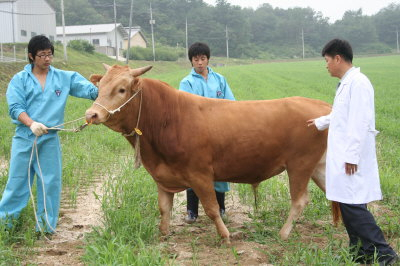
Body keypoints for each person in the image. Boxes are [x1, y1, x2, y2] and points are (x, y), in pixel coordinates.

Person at [307, 39, 399, 265]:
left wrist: (352, 157)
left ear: (337, 58)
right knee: (349, 205)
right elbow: (342, 114)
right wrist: (322, 121)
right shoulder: (348, 83)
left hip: (351, 157)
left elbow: (359, 121)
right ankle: (360, 253)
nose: (326, 66)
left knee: (353, 207)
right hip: (344, 155)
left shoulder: (358, 83)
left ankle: (384, 253)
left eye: (327, 61)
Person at [0, 35, 98, 234]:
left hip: (50, 138)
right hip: (25, 137)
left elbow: (89, 90)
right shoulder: (20, 80)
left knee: (50, 183)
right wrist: (31, 123)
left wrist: (104, 88)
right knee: (18, 182)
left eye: (50, 54)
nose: (47, 59)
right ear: (31, 56)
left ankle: (45, 228)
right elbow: (15, 108)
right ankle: (5, 226)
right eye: (42, 55)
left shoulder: (63, 77)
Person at [179, 42, 235, 224]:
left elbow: (231, 103)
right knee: (194, 172)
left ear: (208, 59)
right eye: (196, 59)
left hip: (219, 132)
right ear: (191, 62)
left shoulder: (220, 79)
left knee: (219, 170)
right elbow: (185, 109)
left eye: (203, 59)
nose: (200, 63)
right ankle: (192, 212)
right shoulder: (186, 82)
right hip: (196, 134)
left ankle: (221, 209)